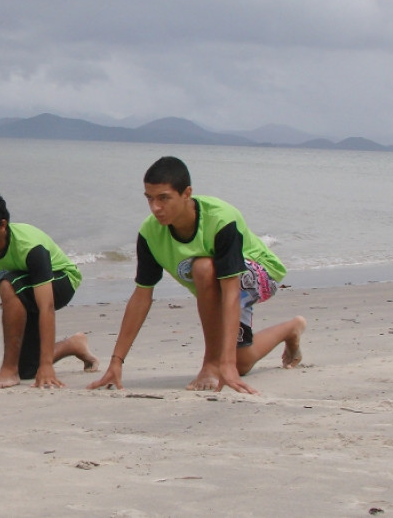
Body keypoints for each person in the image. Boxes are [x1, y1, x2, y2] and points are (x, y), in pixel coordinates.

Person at [88, 156, 306, 394]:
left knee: (203, 268)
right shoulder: (150, 233)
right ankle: (291, 329)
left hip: (261, 273)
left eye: (164, 198)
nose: (155, 207)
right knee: (241, 363)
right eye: (149, 198)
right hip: (219, 284)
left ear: (187, 193)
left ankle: (211, 365)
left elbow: (231, 291)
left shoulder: (221, 219)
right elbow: (142, 295)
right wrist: (116, 362)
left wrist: (223, 364)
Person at [0, 190, 99, 389]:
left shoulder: (30, 247)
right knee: (28, 369)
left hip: (61, 280)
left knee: (8, 284)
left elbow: (46, 307)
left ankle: (8, 371)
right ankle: (73, 344)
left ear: (2, 226)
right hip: (23, 288)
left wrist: (47, 366)